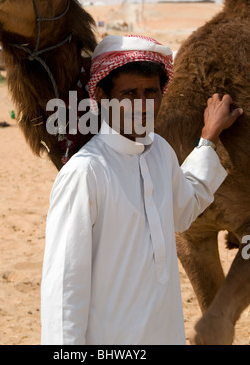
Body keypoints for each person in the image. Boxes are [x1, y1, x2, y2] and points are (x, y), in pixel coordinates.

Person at [40, 34, 243, 345]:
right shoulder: (85, 173)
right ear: (102, 97)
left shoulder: (159, 152)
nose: (142, 105)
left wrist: (208, 137)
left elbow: (184, 210)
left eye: (151, 92)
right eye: (129, 93)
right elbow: (64, 287)